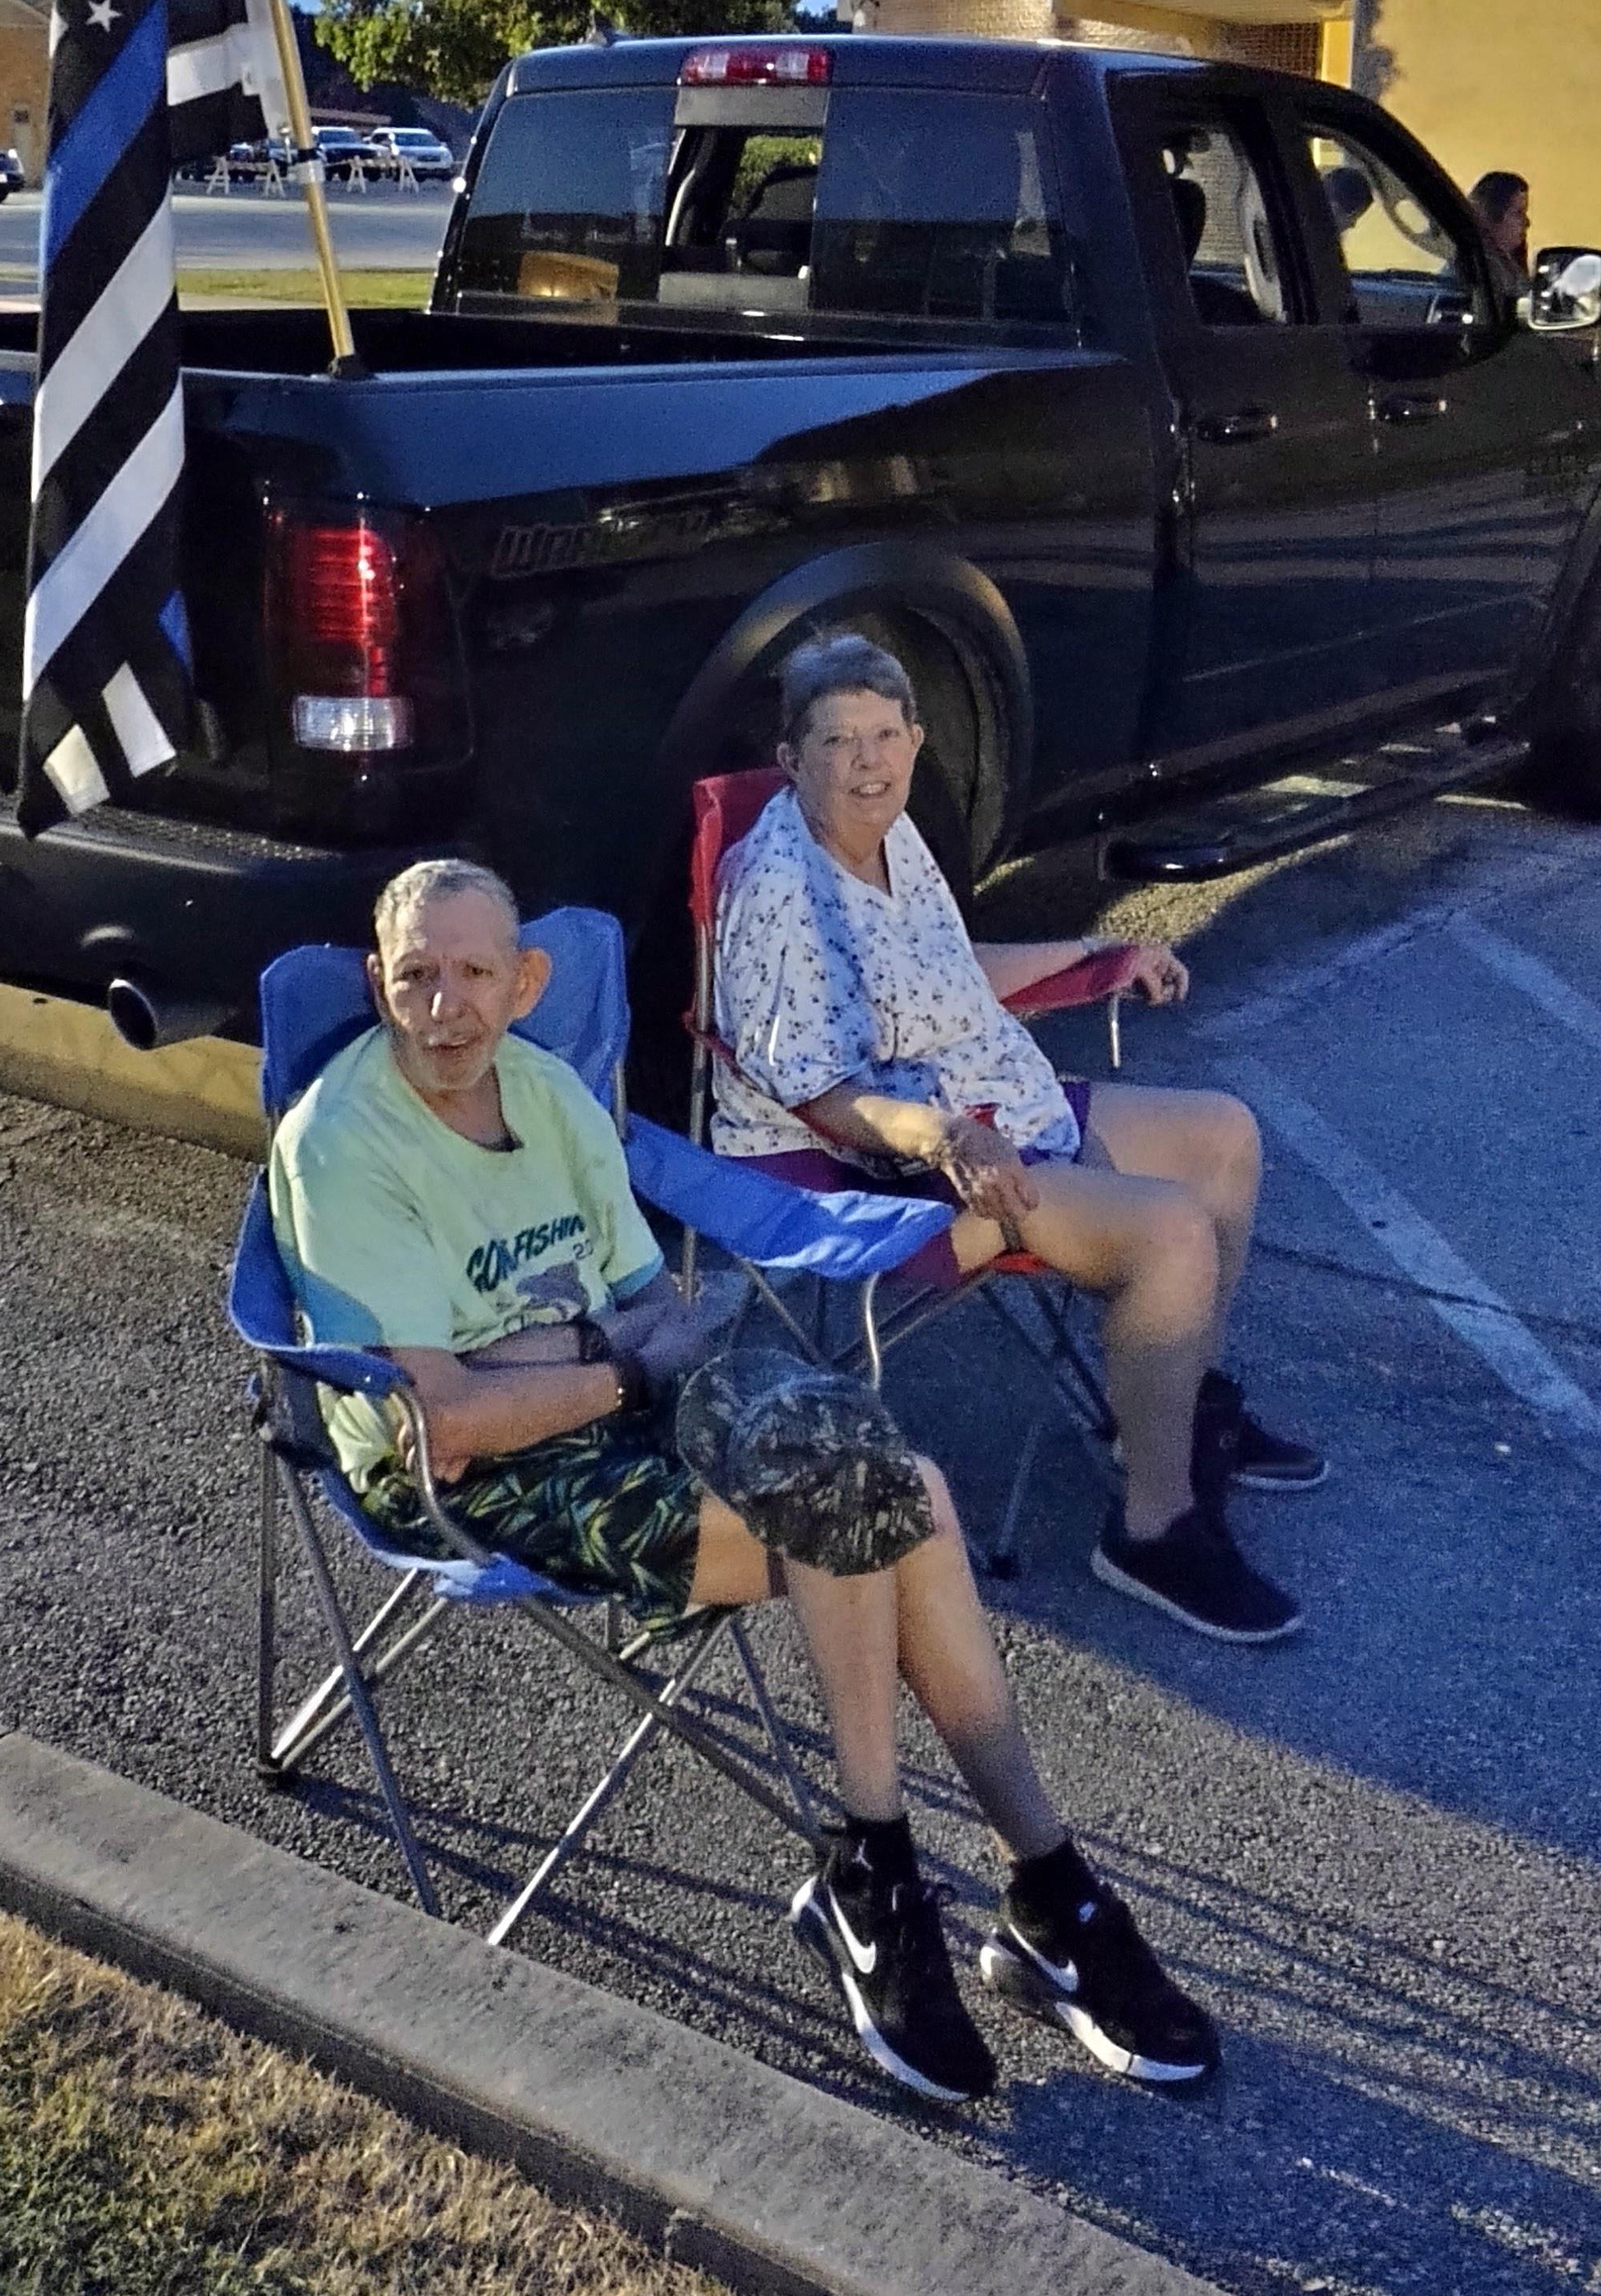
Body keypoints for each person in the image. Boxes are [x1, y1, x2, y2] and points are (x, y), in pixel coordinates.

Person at [270, 857, 1219, 2105]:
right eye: (415, 977)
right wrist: (599, 1367)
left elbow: (653, 1312)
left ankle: (1029, 1877)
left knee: (913, 1490)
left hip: (615, 1400)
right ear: (378, 985)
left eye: (474, 974)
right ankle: (909, 1875)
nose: (445, 1005)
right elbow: (443, 1425)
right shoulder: (340, 1143)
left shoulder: (550, 1094)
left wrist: (560, 1356)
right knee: (862, 1519)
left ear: (524, 981)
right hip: (467, 1485)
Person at [712, 635, 1323, 1646]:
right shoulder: (780, 882)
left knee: (1223, 1135)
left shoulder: (893, 836)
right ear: (793, 758)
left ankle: (1172, 1419)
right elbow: (818, 1094)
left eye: (884, 735)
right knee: (1169, 1232)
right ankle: (1154, 1529)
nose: (867, 761)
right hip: (883, 1165)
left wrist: (1096, 955)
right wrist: (942, 1133)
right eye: (836, 741)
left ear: (915, 739)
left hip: (988, 1103)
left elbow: (949, 973)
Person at [1469, 171, 1530, 275]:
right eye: (1519, 213)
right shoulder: (1465, 277)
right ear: (1492, 215)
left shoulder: (1511, 272)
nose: (1527, 223)